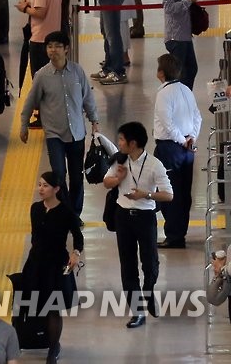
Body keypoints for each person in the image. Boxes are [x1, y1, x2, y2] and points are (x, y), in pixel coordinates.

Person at [103, 121, 174, 326]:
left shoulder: (154, 164)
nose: (119, 143)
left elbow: (168, 195)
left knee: (150, 262)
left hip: (145, 217)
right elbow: (106, 182)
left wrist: (147, 194)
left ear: (133, 143)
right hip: (122, 216)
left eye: (122, 139)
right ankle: (138, 312)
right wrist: (118, 178)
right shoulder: (119, 160)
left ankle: (149, 291)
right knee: (128, 265)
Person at [19, 31, 98, 214]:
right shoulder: (42, 76)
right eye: (49, 46)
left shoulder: (77, 71)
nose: (53, 50)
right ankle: (67, 212)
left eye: (57, 46)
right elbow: (30, 102)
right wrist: (24, 125)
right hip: (54, 133)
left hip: (77, 133)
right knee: (60, 175)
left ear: (67, 49)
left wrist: (94, 120)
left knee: (77, 178)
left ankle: (76, 213)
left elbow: (88, 98)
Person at [16, 171, 84, 363]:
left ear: (56, 189)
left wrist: (75, 253)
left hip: (55, 264)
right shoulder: (35, 208)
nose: (41, 189)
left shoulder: (66, 212)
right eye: (39, 185)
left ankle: (54, 347)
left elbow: (78, 237)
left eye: (45, 185)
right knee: (36, 304)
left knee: (54, 308)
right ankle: (39, 339)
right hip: (36, 262)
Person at [153, 52, 202, 250]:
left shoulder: (163, 94)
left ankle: (173, 235)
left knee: (169, 192)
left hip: (170, 149)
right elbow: (198, 116)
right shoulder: (186, 90)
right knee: (184, 193)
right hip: (187, 150)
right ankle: (180, 232)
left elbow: (167, 123)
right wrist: (191, 138)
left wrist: (182, 140)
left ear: (161, 73)